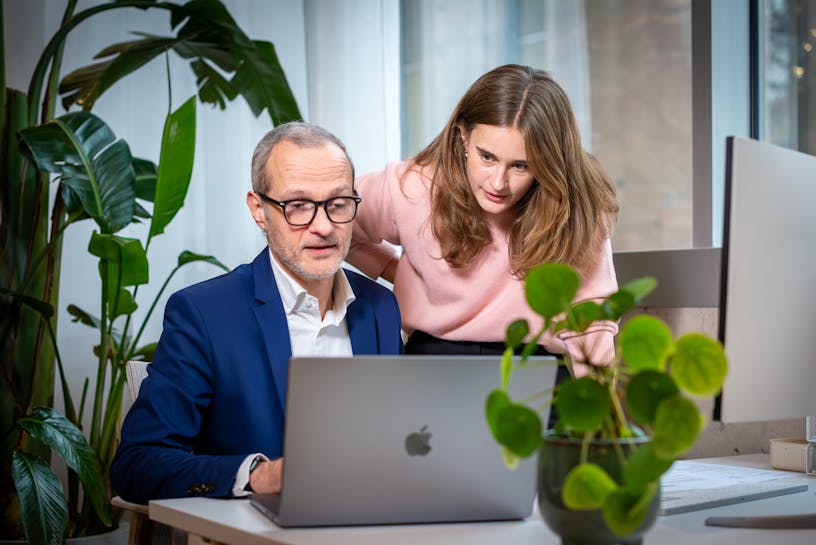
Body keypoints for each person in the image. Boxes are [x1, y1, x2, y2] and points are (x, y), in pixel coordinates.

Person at [111, 122, 403, 504]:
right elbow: (137, 463)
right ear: (259, 211)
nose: (323, 227)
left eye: (337, 204)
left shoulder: (382, 306)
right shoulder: (203, 314)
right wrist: (258, 475)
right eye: (297, 206)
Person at [347, 64, 618, 367]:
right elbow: (333, 225)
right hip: (431, 364)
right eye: (487, 157)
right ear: (463, 137)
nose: (498, 183)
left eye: (521, 165)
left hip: (534, 367)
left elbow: (590, 319)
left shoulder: (575, 205)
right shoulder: (412, 185)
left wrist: (604, 409)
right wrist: (390, 267)